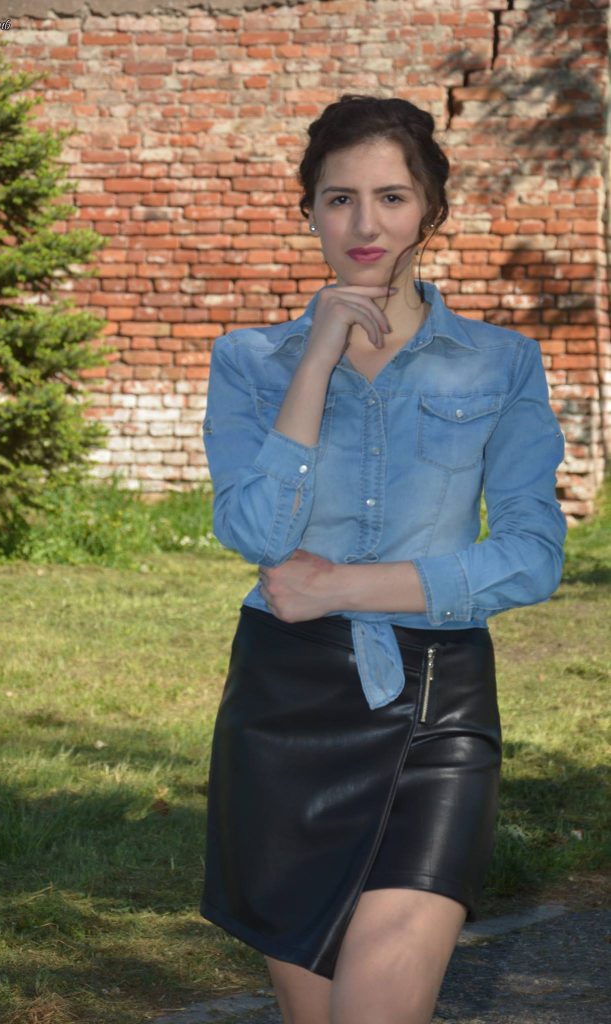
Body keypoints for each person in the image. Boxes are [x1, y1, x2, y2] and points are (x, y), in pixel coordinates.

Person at [199, 95, 566, 1024]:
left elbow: (531, 556)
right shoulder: (249, 360)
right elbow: (255, 533)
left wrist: (341, 586)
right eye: (339, 199)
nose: (365, 225)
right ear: (309, 212)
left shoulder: (500, 363)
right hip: (284, 709)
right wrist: (316, 359)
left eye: (391, 198)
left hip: (438, 706)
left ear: (429, 211)